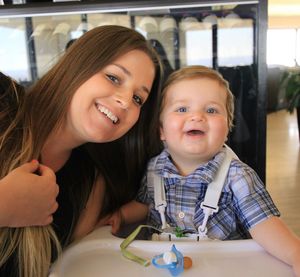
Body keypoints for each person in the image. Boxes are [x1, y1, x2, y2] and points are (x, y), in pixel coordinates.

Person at [101, 65, 300, 275]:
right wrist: (121, 215)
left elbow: (265, 226)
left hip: (222, 269)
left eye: (211, 110)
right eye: (182, 109)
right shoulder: (154, 169)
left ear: (227, 130)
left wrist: (295, 253)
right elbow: (145, 204)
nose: (197, 116)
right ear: (161, 130)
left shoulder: (238, 177)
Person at [0, 25, 162, 277]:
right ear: (78, 65)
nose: (125, 101)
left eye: (138, 99)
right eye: (114, 77)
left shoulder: (91, 185)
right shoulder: (4, 100)